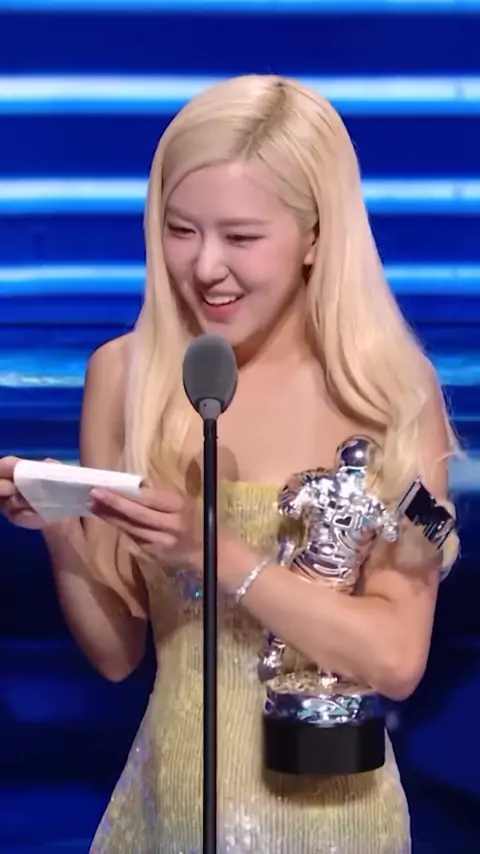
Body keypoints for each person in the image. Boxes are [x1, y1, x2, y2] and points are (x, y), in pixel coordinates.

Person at [0, 74, 459, 853]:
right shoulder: (127, 376)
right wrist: (55, 521)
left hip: (332, 818)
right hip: (167, 811)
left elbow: (395, 659)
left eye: (241, 238)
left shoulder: (389, 394)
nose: (206, 266)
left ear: (316, 236)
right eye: (181, 230)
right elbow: (115, 655)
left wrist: (214, 553)